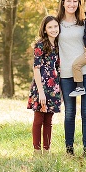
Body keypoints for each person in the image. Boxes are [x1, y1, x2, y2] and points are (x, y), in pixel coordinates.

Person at [56, 0, 86, 155]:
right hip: (66, 73)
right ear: (63, 3)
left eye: (75, 1)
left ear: (79, 4)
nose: (72, 4)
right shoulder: (56, 24)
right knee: (69, 113)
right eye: (68, 1)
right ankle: (69, 149)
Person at [26, 15, 62, 155]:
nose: (53, 29)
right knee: (39, 118)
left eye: (55, 26)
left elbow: (58, 67)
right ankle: (36, 150)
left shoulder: (58, 45)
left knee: (49, 120)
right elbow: (36, 69)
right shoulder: (40, 44)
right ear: (45, 30)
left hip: (54, 86)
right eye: (50, 27)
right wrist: (41, 92)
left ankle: (46, 151)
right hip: (41, 85)